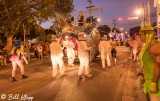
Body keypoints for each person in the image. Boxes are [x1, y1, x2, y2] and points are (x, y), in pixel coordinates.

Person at [139, 24, 160, 101]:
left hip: (156, 82)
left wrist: (154, 83)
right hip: (149, 79)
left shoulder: (154, 47)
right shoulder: (148, 46)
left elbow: (158, 65)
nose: (139, 36)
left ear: (147, 35)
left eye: (141, 34)